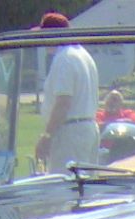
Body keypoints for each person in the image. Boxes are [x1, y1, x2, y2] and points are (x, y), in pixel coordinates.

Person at [33, 12, 99, 171]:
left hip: (70, 132)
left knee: (64, 187)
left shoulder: (64, 58)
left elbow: (63, 103)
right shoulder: (83, 54)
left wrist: (47, 136)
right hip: (87, 129)